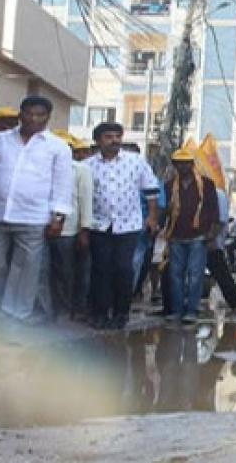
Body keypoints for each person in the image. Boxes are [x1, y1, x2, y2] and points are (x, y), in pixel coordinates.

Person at [0, 96, 74, 323]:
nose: (33, 118)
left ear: (47, 118)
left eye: (39, 114)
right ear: (21, 114)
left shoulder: (57, 147)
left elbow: (62, 184)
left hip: (33, 216)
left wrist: (58, 218)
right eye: (29, 113)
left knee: (25, 269)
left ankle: (15, 315)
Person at [85, 122, 159, 329]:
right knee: (100, 270)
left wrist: (152, 217)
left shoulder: (136, 162)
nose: (114, 140)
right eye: (108, 136)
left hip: (128, 225)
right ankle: (100, 313)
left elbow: (151, 190)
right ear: (98, 140)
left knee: (123, 270)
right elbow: (83, 197)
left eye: (117, 136)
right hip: (99, 225)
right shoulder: (88, 166)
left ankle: (121, 313)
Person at [161, 148, 220, 324]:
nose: (183, 166)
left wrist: (212, 233)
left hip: (198, 236)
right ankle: (177, 310)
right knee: (175, 275)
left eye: (186, 162)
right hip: (175, 236)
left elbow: (213, 210)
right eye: (179, 163)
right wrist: (158, 227)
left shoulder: (207, 184)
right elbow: (166, 210)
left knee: (195, 275)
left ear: (192, 164)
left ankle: (192, 311)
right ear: (175, 165)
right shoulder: (169, 185)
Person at [40, 134, 93, 323]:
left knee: (66, 272)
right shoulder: (40, 168)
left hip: (68, 230)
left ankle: (65, 310)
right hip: (40, 227)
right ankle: (46, 310)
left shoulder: (80, 170)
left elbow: (85, 201)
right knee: (43, 272)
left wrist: (84, 230)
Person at [207, 188, 236, 312]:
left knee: (222, 275)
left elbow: (221, 220)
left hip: (212, 244)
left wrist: (212, 237)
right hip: (191, 241)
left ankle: (235, 305)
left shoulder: (217, 194)